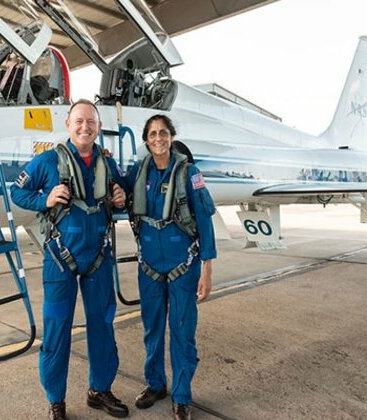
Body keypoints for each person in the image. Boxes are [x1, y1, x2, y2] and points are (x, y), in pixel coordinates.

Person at [10, 99, 129, 420]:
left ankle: (99, 390)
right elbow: (16, 192)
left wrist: (120, 198)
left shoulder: (108, 164)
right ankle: (56, 401)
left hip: (99, 257)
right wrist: (43, 198)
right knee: (57, 328)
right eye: (79, 121)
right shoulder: (47, 161)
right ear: (68, 125)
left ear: (99, 127)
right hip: (60, 257)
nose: (85, 127)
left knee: (102, 326)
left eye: (91, 122)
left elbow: (118, 197)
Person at [125, 115, 217, 420]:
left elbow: (205, 220)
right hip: (149, 266)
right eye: (152, 134)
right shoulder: (139, 172)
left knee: (182, 330)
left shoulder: (190, 173)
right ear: (147, 140)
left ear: (171, 136)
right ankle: (155, 384)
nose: (158, 138)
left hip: (184, 265)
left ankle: (181, 395)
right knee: (152, 329)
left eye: (163, 133)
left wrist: (207, 268)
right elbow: (117, 192)